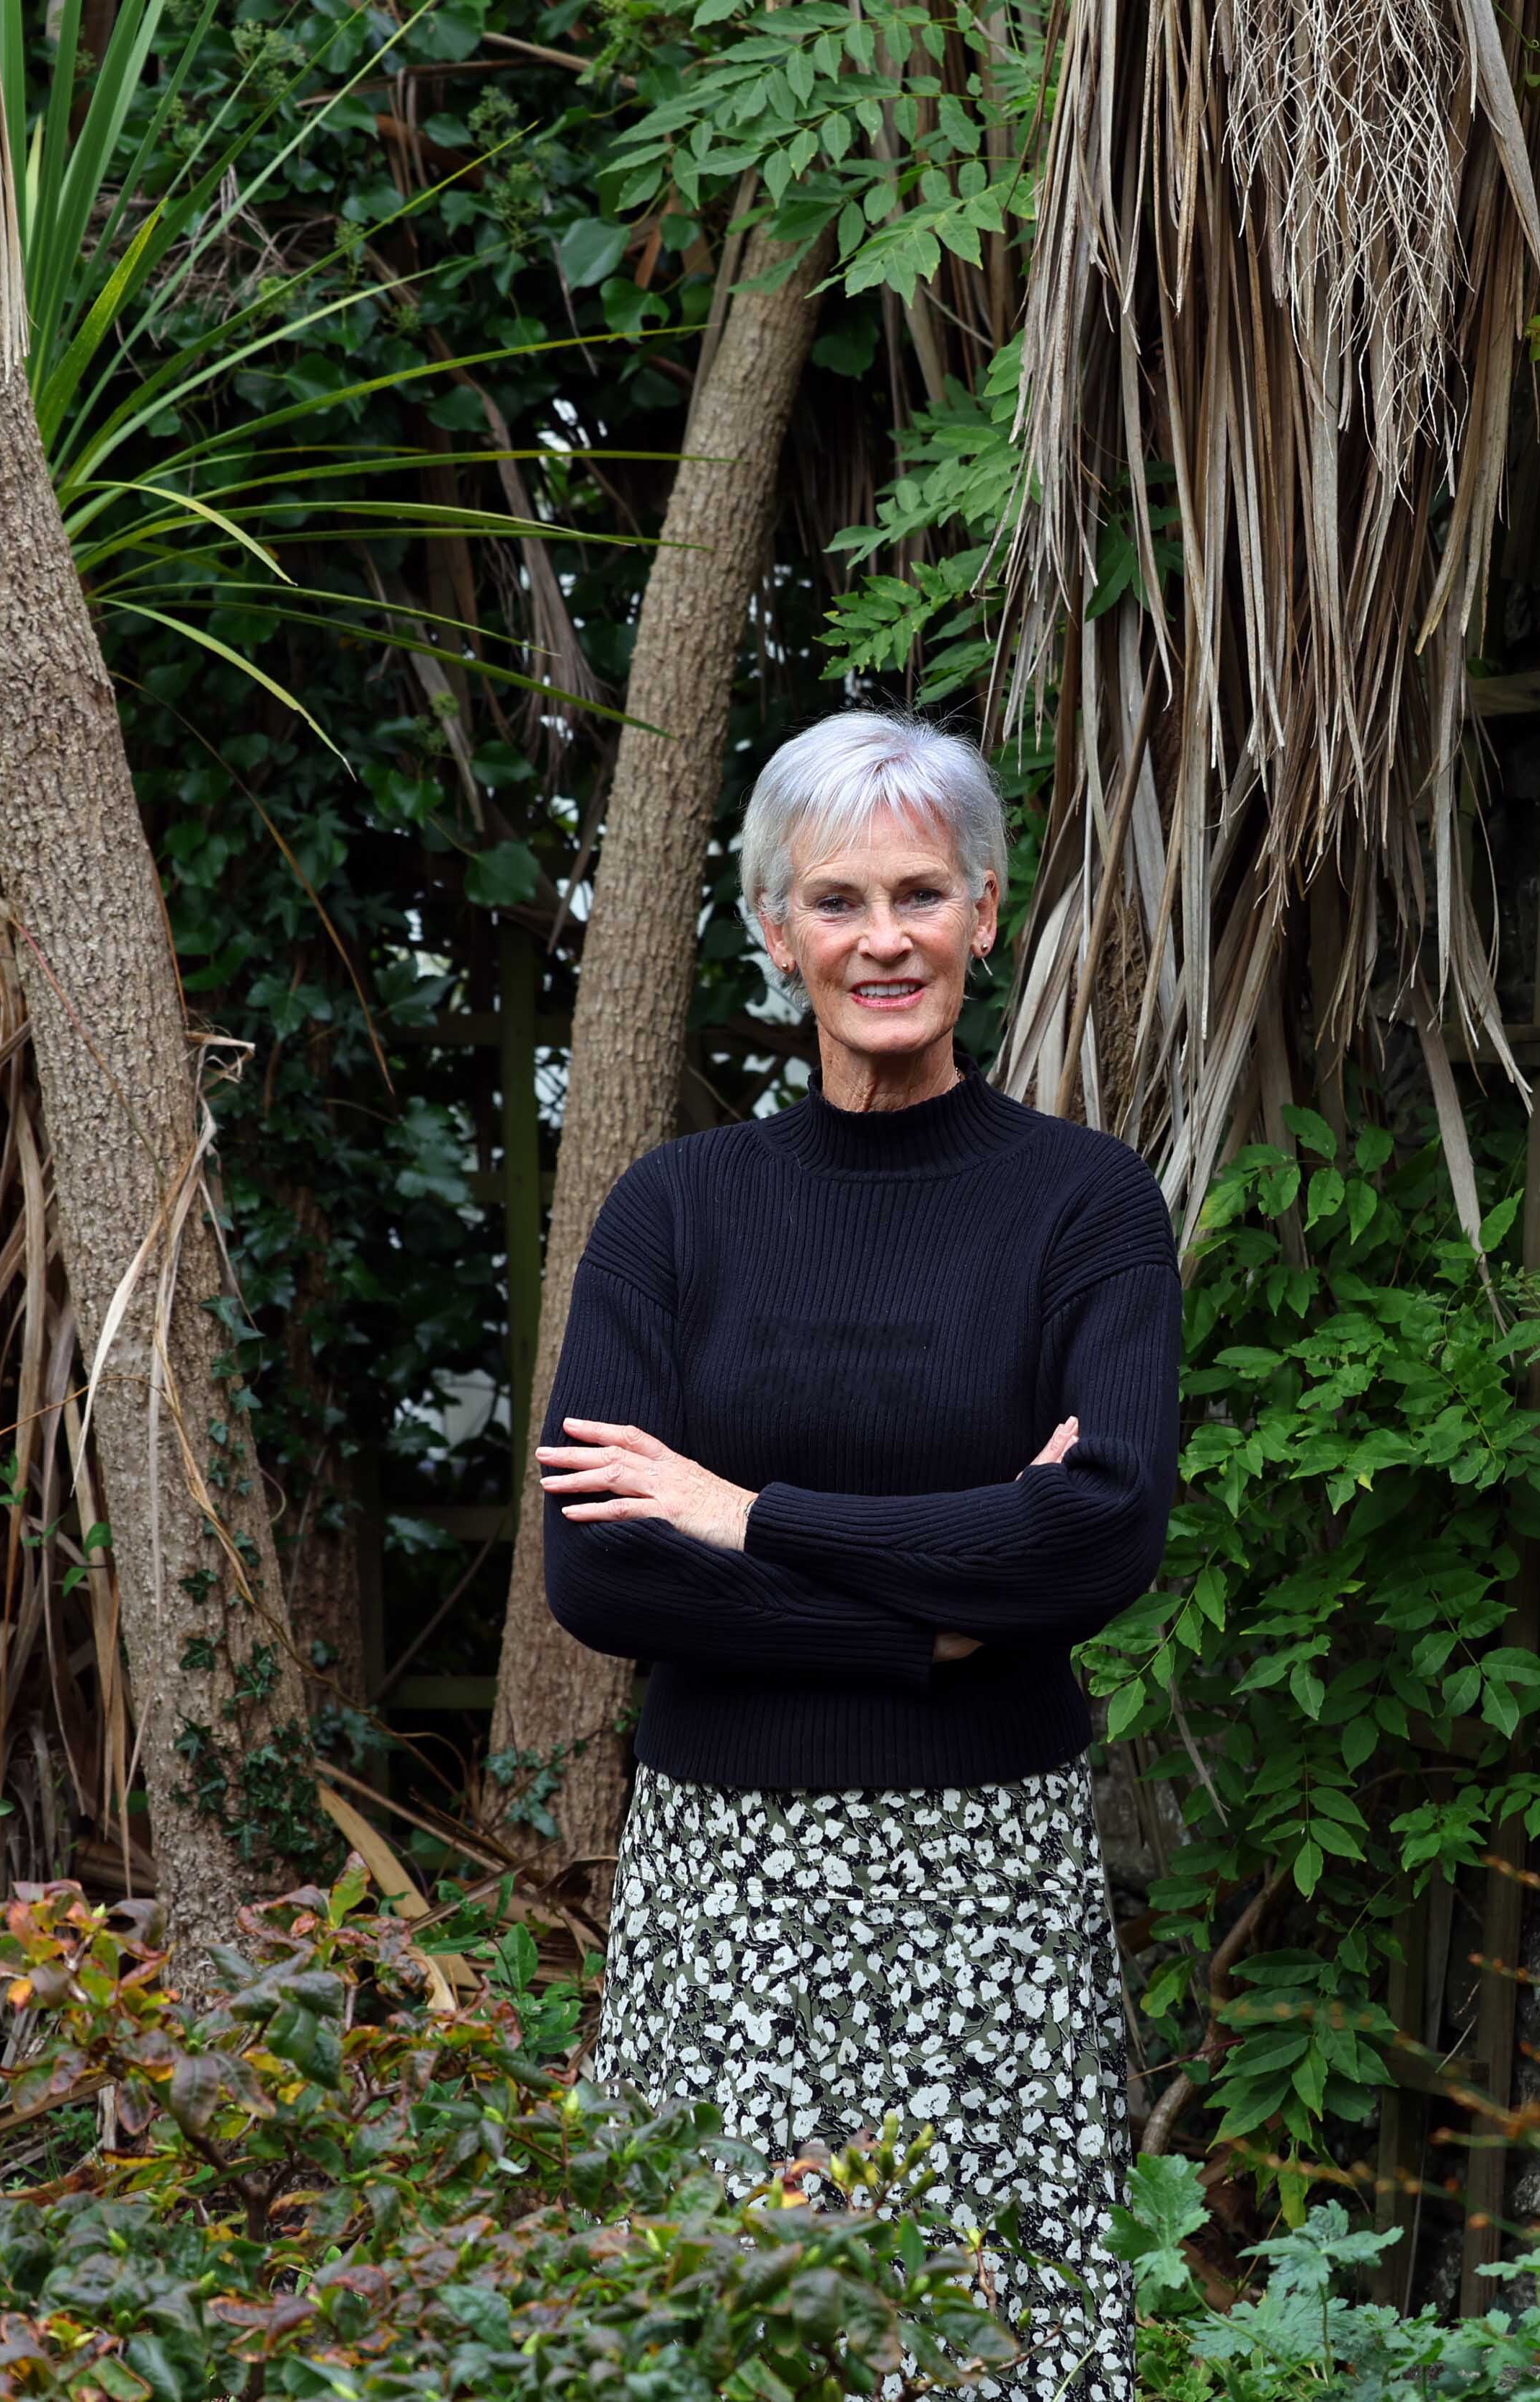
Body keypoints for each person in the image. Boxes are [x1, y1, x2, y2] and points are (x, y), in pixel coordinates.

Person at [534, 711, 1179, 2401]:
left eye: (918, 894)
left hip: (988, 1866)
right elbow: (602, 1576)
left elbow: (1099, 1531)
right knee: (721, 2328)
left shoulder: (1085, 1207)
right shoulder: (672, 1213)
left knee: (995, 2330)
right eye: (836, 899)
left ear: (982, 909)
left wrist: (750, 1514)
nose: (880, 938)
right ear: (772, 929)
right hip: (723, 1874)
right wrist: (940, 1618)